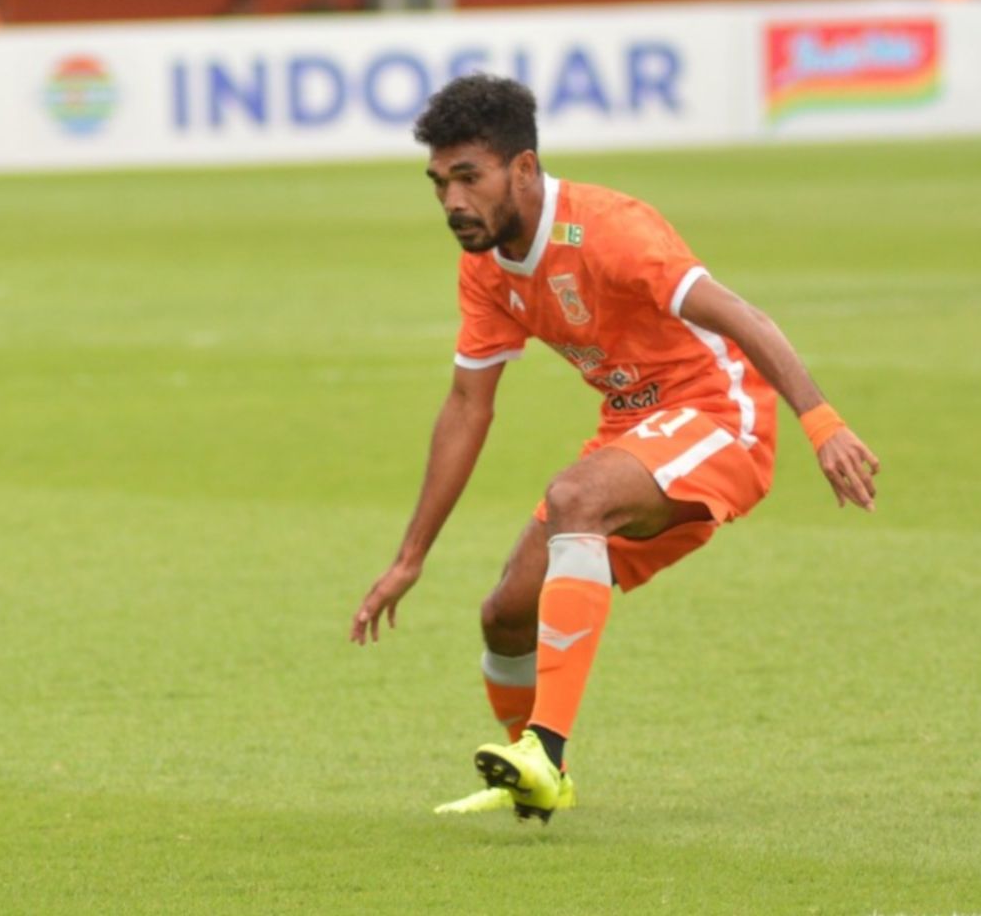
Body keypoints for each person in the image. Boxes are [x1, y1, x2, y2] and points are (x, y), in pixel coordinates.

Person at [349, 74, 879, 822]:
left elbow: (743, 316)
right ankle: (539, 782)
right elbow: (469, 405)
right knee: (506, 614)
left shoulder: (610, 229)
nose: (452, 201)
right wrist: (411, 558)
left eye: (468, 178)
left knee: (576, 497)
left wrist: (821, 423)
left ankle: (545, 748)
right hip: (636, 434)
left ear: (523, 169)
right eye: (439, 183)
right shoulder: (486, 268)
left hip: (720, 417)